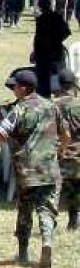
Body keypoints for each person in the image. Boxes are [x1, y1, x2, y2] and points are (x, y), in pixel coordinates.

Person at [0, 70, 62, 268]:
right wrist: (57, 151)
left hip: (27, 170)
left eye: (15, 86)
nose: (13, 89)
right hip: (49, 167)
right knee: (46, 209)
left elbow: (0, 136)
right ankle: (47, 243)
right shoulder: (51, 106)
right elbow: (65, 134)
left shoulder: (20, 109)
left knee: (25, 209)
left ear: (23, 88)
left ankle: (23, 253)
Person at [32, 0, 71, 96]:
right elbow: (67, 32)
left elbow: (39, 39)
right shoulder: (56, 17)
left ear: (40, 5)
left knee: (45, 83)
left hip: (46, 55)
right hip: (54, 53)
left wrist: (54, 41)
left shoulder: (42, 19)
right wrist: (57, 40)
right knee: (56, 80)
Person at [55, 70, 80, 230]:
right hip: (78, 153)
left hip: (59, 153)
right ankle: (74, 219)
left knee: (55, 190)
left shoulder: (52, 105)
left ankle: (50, 223)